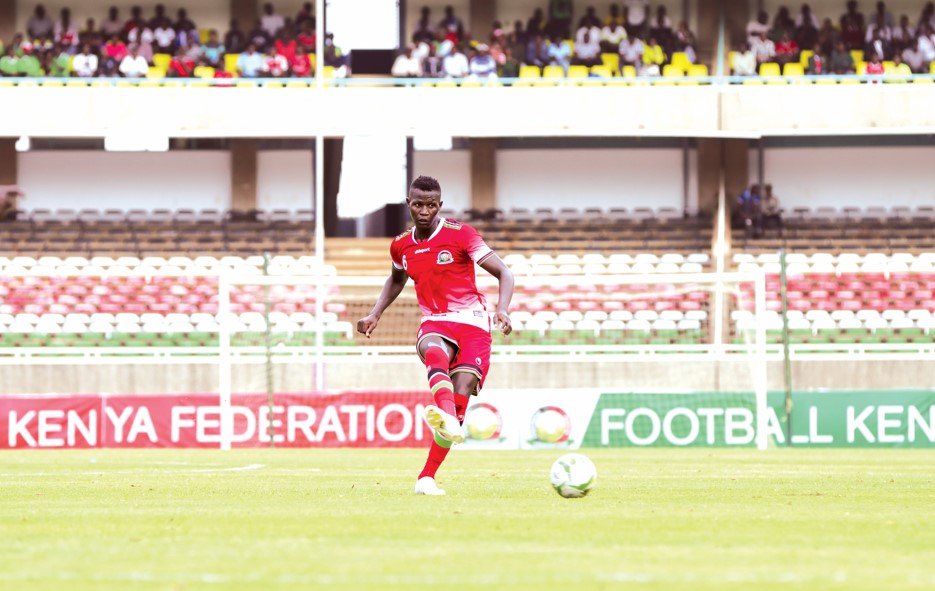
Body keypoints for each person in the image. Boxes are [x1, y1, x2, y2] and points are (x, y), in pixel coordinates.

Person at [356, 175, 514, 496]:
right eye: (418, 204)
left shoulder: (461, 235)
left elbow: (504, 272)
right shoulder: (401, 244)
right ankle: (447, 415)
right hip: (435, 320)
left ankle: (426, 477)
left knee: (463, 388)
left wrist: (503, 309)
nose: (424, 210)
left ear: (439, 206)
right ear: (409, 205)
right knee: (433, 349)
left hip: (472, 323)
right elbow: (396, 280)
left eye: (431, 205)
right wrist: (375, 312)